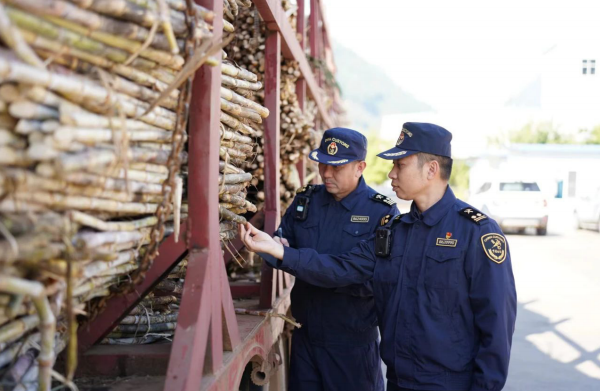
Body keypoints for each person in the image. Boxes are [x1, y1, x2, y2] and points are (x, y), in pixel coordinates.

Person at [241, 122, 517, 391]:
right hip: (399, 378)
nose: (390, 174)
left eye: (400, 165)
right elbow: (344, 268)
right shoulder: (396, 233)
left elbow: (496, 326)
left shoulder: (475, 232)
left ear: (431, 169)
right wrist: (278, 251)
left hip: (445, 381)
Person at [267, 127, 397, 391]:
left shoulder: (380, 212)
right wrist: (272, 248)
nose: (326, 173)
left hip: (351, 346)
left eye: (336, 167)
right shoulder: (307, 201)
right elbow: (277, 245)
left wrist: (285, 253)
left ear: (360, 167)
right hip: (305, 338)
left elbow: (350, 270)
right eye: (322, 164)